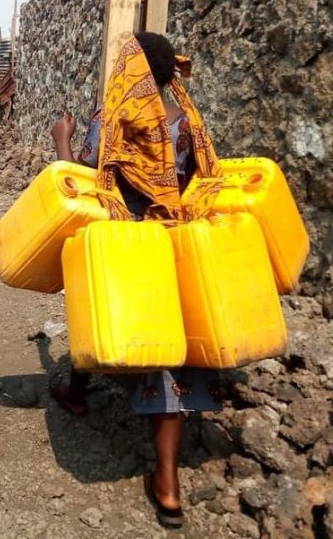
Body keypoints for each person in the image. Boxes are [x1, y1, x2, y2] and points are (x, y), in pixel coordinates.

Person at [49, 32, 223, 528]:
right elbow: (196, 180)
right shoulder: (189, 123)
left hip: (128, 246)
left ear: (131, 70)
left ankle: (166, 481)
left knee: (103, 314)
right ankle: (163, 480)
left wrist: (61, 140)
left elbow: (81, 180)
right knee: (172, 347)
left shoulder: (114, 119)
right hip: (176, 242)